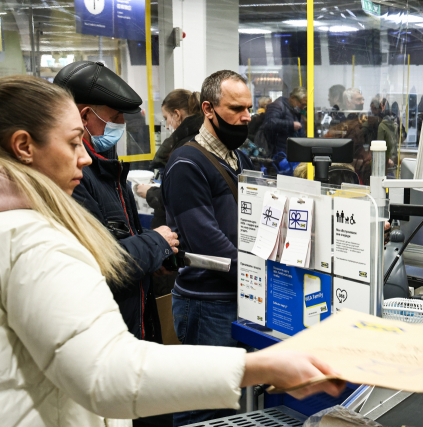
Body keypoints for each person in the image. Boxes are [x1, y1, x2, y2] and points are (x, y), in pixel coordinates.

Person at [0, 74, 345, 427]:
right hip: (206, 300)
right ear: (24, 146)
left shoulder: (27, 226)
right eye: (74, 143)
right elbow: (110, 374)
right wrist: (262, 367)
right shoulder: (34, 242)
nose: (84, 159)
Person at [54, 61, 178, 342]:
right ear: (85, 116)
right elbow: (102, 260)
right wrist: (156, 243)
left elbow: (122, 238)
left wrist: (153, 258)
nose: (122, 124)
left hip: (132, 321)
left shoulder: (108, 167)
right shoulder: (74, 177)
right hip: (105, 333)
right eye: (116, 116)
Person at [162, 70, 255, 426]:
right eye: (236, 108)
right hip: (206, 304)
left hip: (237, 297)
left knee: (228, 406)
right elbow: (208, 243)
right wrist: (256, 274)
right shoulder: (187, 164)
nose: (246, 117)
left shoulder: (238, 159)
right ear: (208, 109)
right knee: (201, 407)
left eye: (249, 108)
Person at [138, 89, 204, 229]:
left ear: (177, 115)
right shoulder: (201, 138)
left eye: (166, 118)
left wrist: (150, 193)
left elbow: (178, 198)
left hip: (175, 230)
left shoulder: (182, 149)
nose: (167, 125)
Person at [261, 87, 307, 156]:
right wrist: (291, 125)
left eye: (305, 105)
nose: (303, 108)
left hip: (292, 153)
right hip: (279, 153)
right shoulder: (278, 105)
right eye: (302, 104)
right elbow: (269, 123)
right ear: (292, 98)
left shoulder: (296, 111)